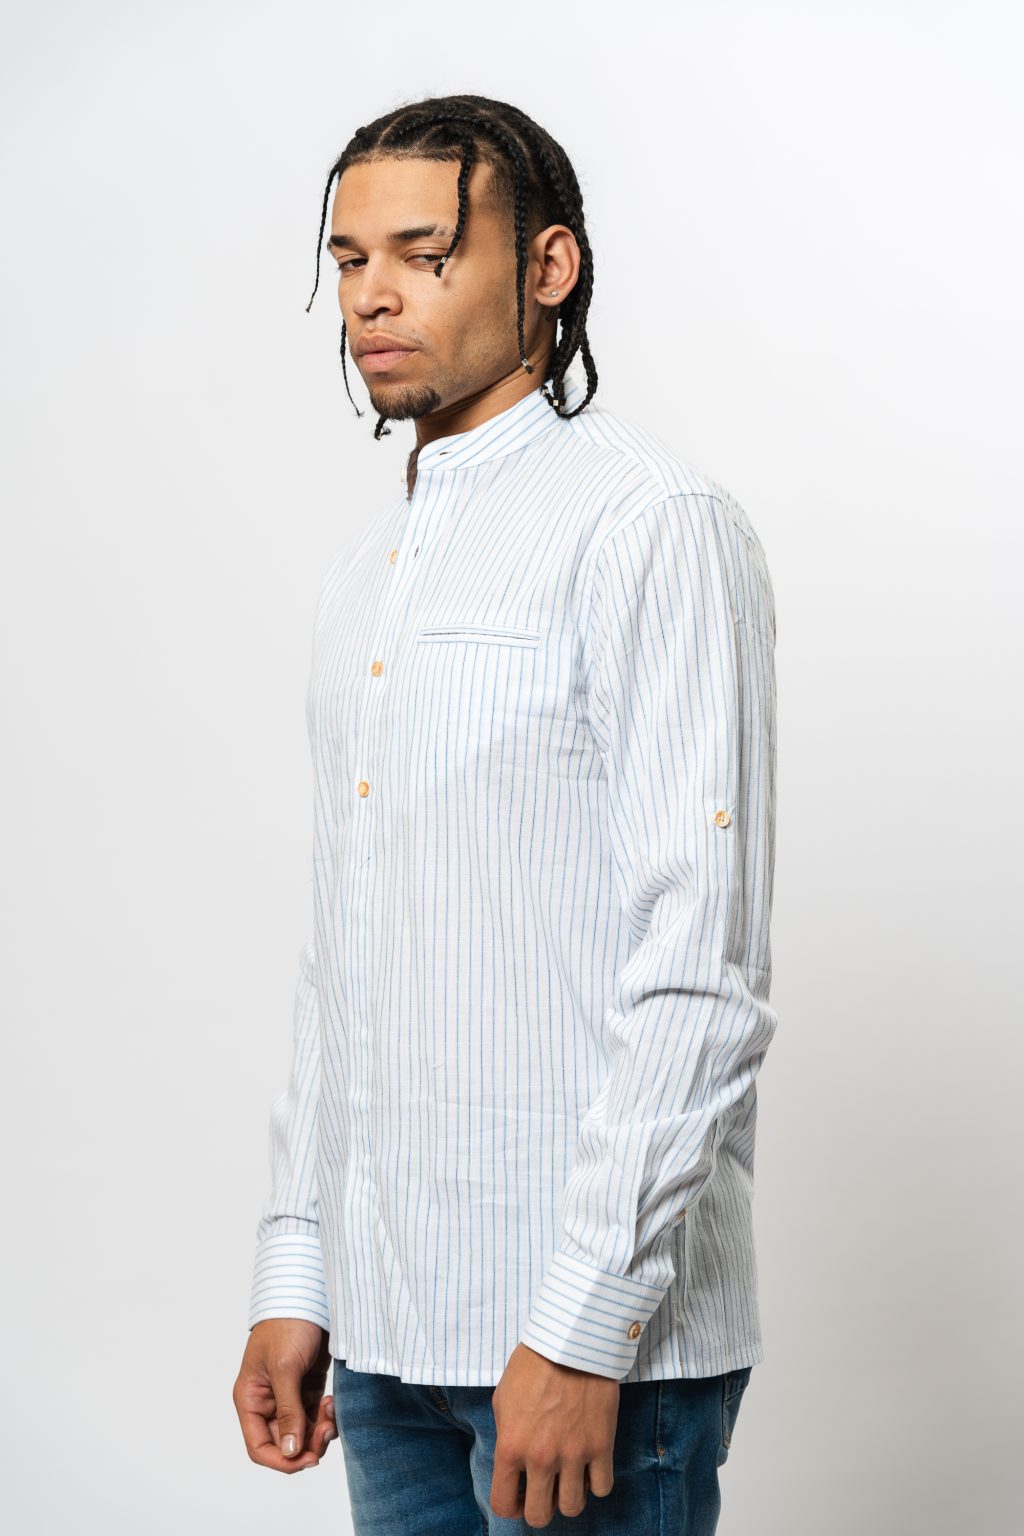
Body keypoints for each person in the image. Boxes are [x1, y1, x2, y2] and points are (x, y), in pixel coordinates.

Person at [232, 92, 779, 1535]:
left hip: (588, 1350)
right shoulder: (369, 575)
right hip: (388, 1332)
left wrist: (584, 1325)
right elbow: (347, 960)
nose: (373, 297)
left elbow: (701, 970)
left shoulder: (651, 526)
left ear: (548, 267)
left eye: (424, 253)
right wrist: (300, 1270)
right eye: (350, 260)